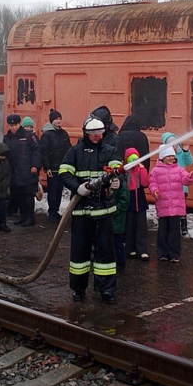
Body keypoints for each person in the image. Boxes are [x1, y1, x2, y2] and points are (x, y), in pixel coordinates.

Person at [59, 115, 123, 304]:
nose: (97, 136)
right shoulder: (75, 151)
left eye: (100, 133)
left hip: (104, 210)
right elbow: (64, 172)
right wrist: (77, 188)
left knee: (106, 253)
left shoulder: (110, 151)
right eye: (94, 133)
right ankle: (78, 289)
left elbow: (117, 167)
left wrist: (118, 181)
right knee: (80, 252)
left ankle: (106, 290)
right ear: (86, 134)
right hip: (81, 210)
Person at [149, 145, 193, 262]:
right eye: (168, 156)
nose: (171, 158)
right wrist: (154, 191)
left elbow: (185, 179)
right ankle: (162, 253)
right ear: (162, 157)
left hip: (176, 207)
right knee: (163, 231)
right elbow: (152, 183)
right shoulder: (155, 171)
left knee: (175, 231)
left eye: (172, 156)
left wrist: (190, 177)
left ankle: (174, 254)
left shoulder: (179, 169)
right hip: (163, 206)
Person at [4, 113, 40, 227]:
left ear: (20, 124)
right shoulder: (7, 137)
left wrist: (35, 165)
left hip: (28, 170)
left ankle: (30, 218)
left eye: (16, 125)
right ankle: (23, 217)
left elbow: (37, 151)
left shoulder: (28, 136)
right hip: (14, 171)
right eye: (11, 125)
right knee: (19, 196)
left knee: (28, 195)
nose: (14, 127)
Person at [40, 109, 71, 222]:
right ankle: (52, 211)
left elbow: (69, 149)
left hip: (62, 166)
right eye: (56, 119)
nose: (58, 121)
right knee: (52, 191)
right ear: (51, 121)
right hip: (52, 167)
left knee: (59, 190)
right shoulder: (47, 135)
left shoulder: (63, 133)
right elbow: (44, 151)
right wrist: (46, 167)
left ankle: (56, 210)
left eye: (59, 119)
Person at [160, 132, 193, 235]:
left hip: (182, 186)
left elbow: (190, 162)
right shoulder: (166, 157)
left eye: (175, 143)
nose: (174, 146)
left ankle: (184, 226)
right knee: (172, 206)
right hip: (170, 186)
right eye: (171, 144)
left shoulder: (182, 153)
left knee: (182, 207)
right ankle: (172, 226)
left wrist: (186, 151)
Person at [124, 147, 151, 261]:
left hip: (140, 200)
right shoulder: (125, 171)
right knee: (129, 226)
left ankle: (142, 250)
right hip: (129, 200)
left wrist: (142, 168)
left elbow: (145, 182)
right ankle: (130, 249)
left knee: (141, 227)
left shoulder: (140, 169)